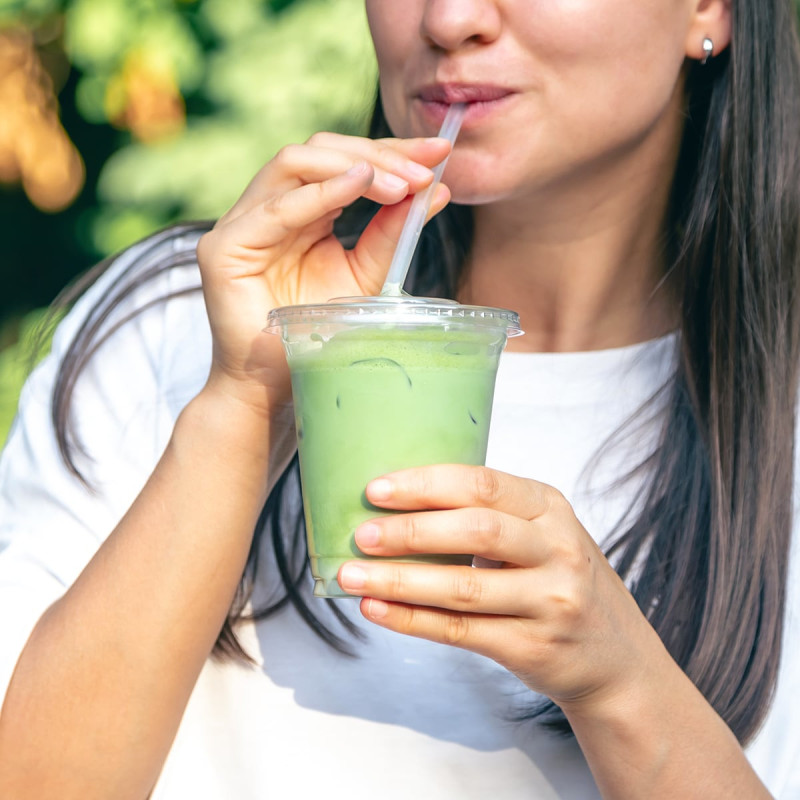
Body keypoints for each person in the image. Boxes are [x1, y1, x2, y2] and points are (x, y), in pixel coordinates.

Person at [1, 0, 799, 797]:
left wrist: (624, 686)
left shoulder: (778, 433)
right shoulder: (178, 328)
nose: (449, 20)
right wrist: (246, 404)